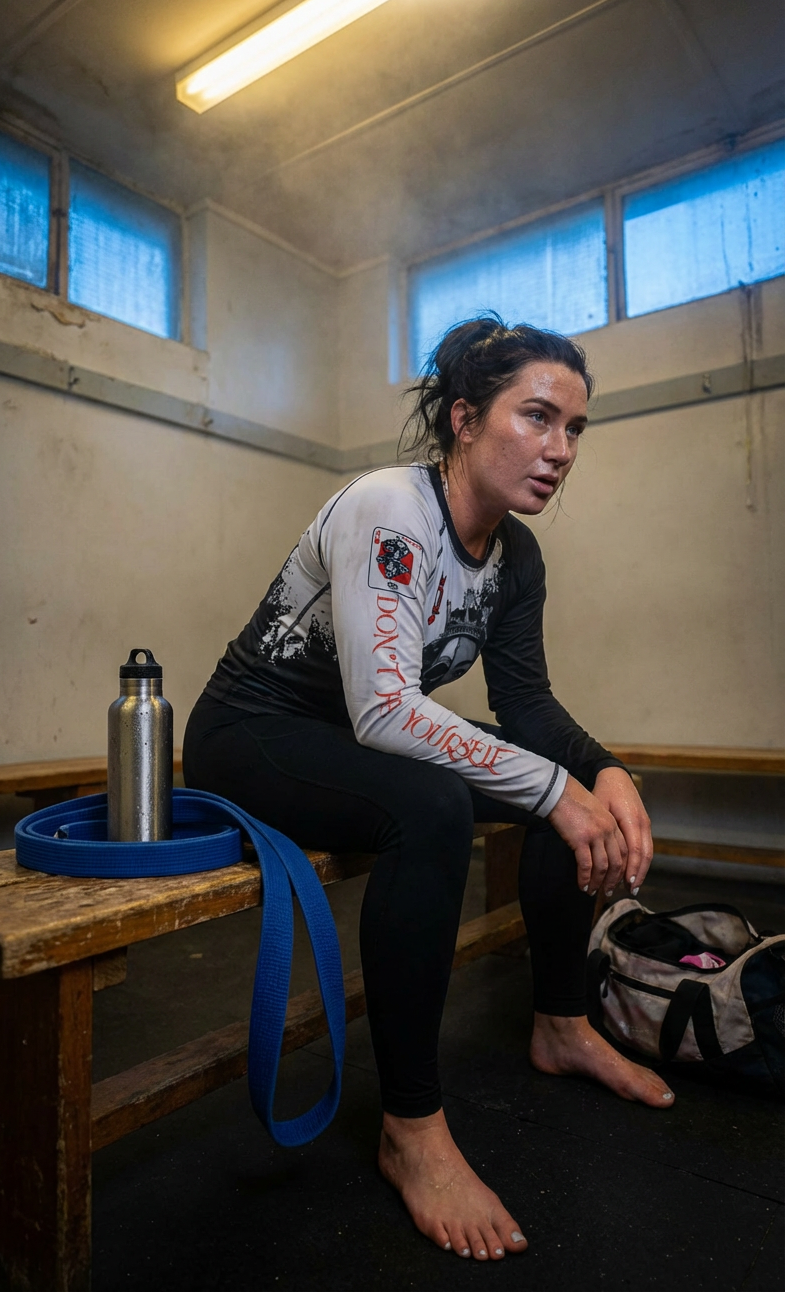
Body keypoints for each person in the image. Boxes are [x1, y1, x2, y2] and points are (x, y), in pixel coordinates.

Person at [183, 316, 674, 1263]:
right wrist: (555, 792)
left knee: (558, 785)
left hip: (352, 733)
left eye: (575, 428)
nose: (561, 450)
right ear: (462, 418)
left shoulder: (517, 558)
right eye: (536, 417)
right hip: (254, 732)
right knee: (436, 802)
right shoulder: (389, 508)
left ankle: (562, 1023)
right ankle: (411, 1128)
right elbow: (385, 713)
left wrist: (602, 773)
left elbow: (524, 706)